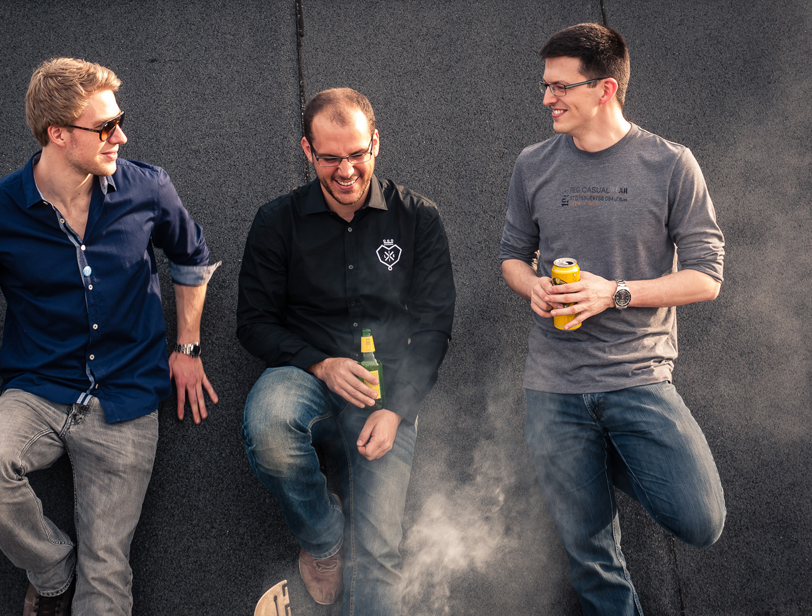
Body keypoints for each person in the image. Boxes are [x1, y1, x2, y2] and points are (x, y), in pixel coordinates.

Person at [0, 57, 219, 616]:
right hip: (37, 390)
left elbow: (192, 259)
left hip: (126, 396)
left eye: (119, 120)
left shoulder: (148, 188)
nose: (122, 136)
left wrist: (187, 347)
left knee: (107, 575)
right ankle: (50, 571)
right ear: (57, 134)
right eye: (105, 127)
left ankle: (82, 580)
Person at [499, 23, 726, 615]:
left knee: (701, 519)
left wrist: (615, 293)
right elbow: (511, 258)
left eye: (559, 87)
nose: (547, 98)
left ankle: (605, 451)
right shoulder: (533, 165)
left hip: (638, 377)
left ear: (604, 89)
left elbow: (706, 276)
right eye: (545, 85)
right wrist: (533, 288)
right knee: (591, 558)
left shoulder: (671, 164)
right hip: (553, 386)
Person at [237, 88, 455, 615]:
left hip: (388, 393)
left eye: (357, 153)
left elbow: (434, 327)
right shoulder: (276, 221)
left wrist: (397, 409)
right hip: (304, 377)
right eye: (331, 157)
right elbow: (253, 324)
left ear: (375, 143)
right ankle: (323, 541)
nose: (346, 170)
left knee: (381, 554)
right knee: (267, 423)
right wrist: (321, 362)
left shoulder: (418, 218)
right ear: (308, 151)